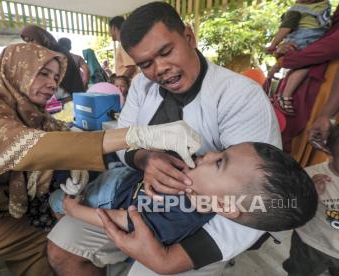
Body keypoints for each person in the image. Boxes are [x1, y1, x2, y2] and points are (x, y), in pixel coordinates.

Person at [0, 43, 199, 276]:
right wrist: (139, 136)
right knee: (48, 243)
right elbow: (33, 147)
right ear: (16, 69)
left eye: (56, 77)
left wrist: (98, 156)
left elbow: (63, 133)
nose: (52, 83)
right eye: (42, 73)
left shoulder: (24, 110)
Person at [47, 2, 282, 276]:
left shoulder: (239, 97)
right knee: (62, 248)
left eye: (166, 52)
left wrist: (169, 259)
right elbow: (122, 141)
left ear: (189, 36)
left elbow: (258, 196)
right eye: (146, 64)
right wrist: (144, 158)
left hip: (202, 225)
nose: (160, 69)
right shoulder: (141, 87)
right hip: (138, 203)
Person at [50, 141, 317, 248]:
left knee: (56, 199)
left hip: (104, 198)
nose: (209, 153)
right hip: (122, 178)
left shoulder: (179, 218)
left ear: (223, 205)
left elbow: (122, 219)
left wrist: (74, 211)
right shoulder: (196, 186)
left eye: (219, 162)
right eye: (222, 151)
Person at [275, 3, 339, 163]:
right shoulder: (320, 14)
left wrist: (289, 59)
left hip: (326, 92)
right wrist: (287, 46)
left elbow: (331, 45)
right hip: (313, 82)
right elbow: (320, 38)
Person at [283, 124, 339, 276]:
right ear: (329, 151)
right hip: (310, 244)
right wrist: (309, 194)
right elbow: (289, 209)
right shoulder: (311, 176)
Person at [266, 0, 331, 116]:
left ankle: (274, 70)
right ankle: (285, 96)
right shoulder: (296, 10)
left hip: (315, 40)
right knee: (304, 66)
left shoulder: (322, 5)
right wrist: (274, 44)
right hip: (301, 41)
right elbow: (285, 29)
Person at [20, 25, 84, 96]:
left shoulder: (57, 51)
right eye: (27, 42)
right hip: (56, 93)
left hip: (67, 92)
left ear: (40, 37)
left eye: (32, 40)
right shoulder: (43, 52)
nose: (30, 44)